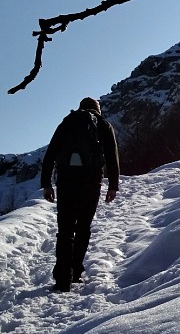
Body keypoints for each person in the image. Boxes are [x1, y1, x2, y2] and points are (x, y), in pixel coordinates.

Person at [40, 97, 120, 291]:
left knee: (65, 230)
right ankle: (76, 273)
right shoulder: (103, 124)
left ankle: (62, 280)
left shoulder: (67, 122)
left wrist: (47, 184)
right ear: (97, 109)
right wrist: (113, 186)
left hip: (66, 181)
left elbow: (50, 154)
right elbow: (112, 155)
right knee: (83, 227)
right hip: (91, 182)